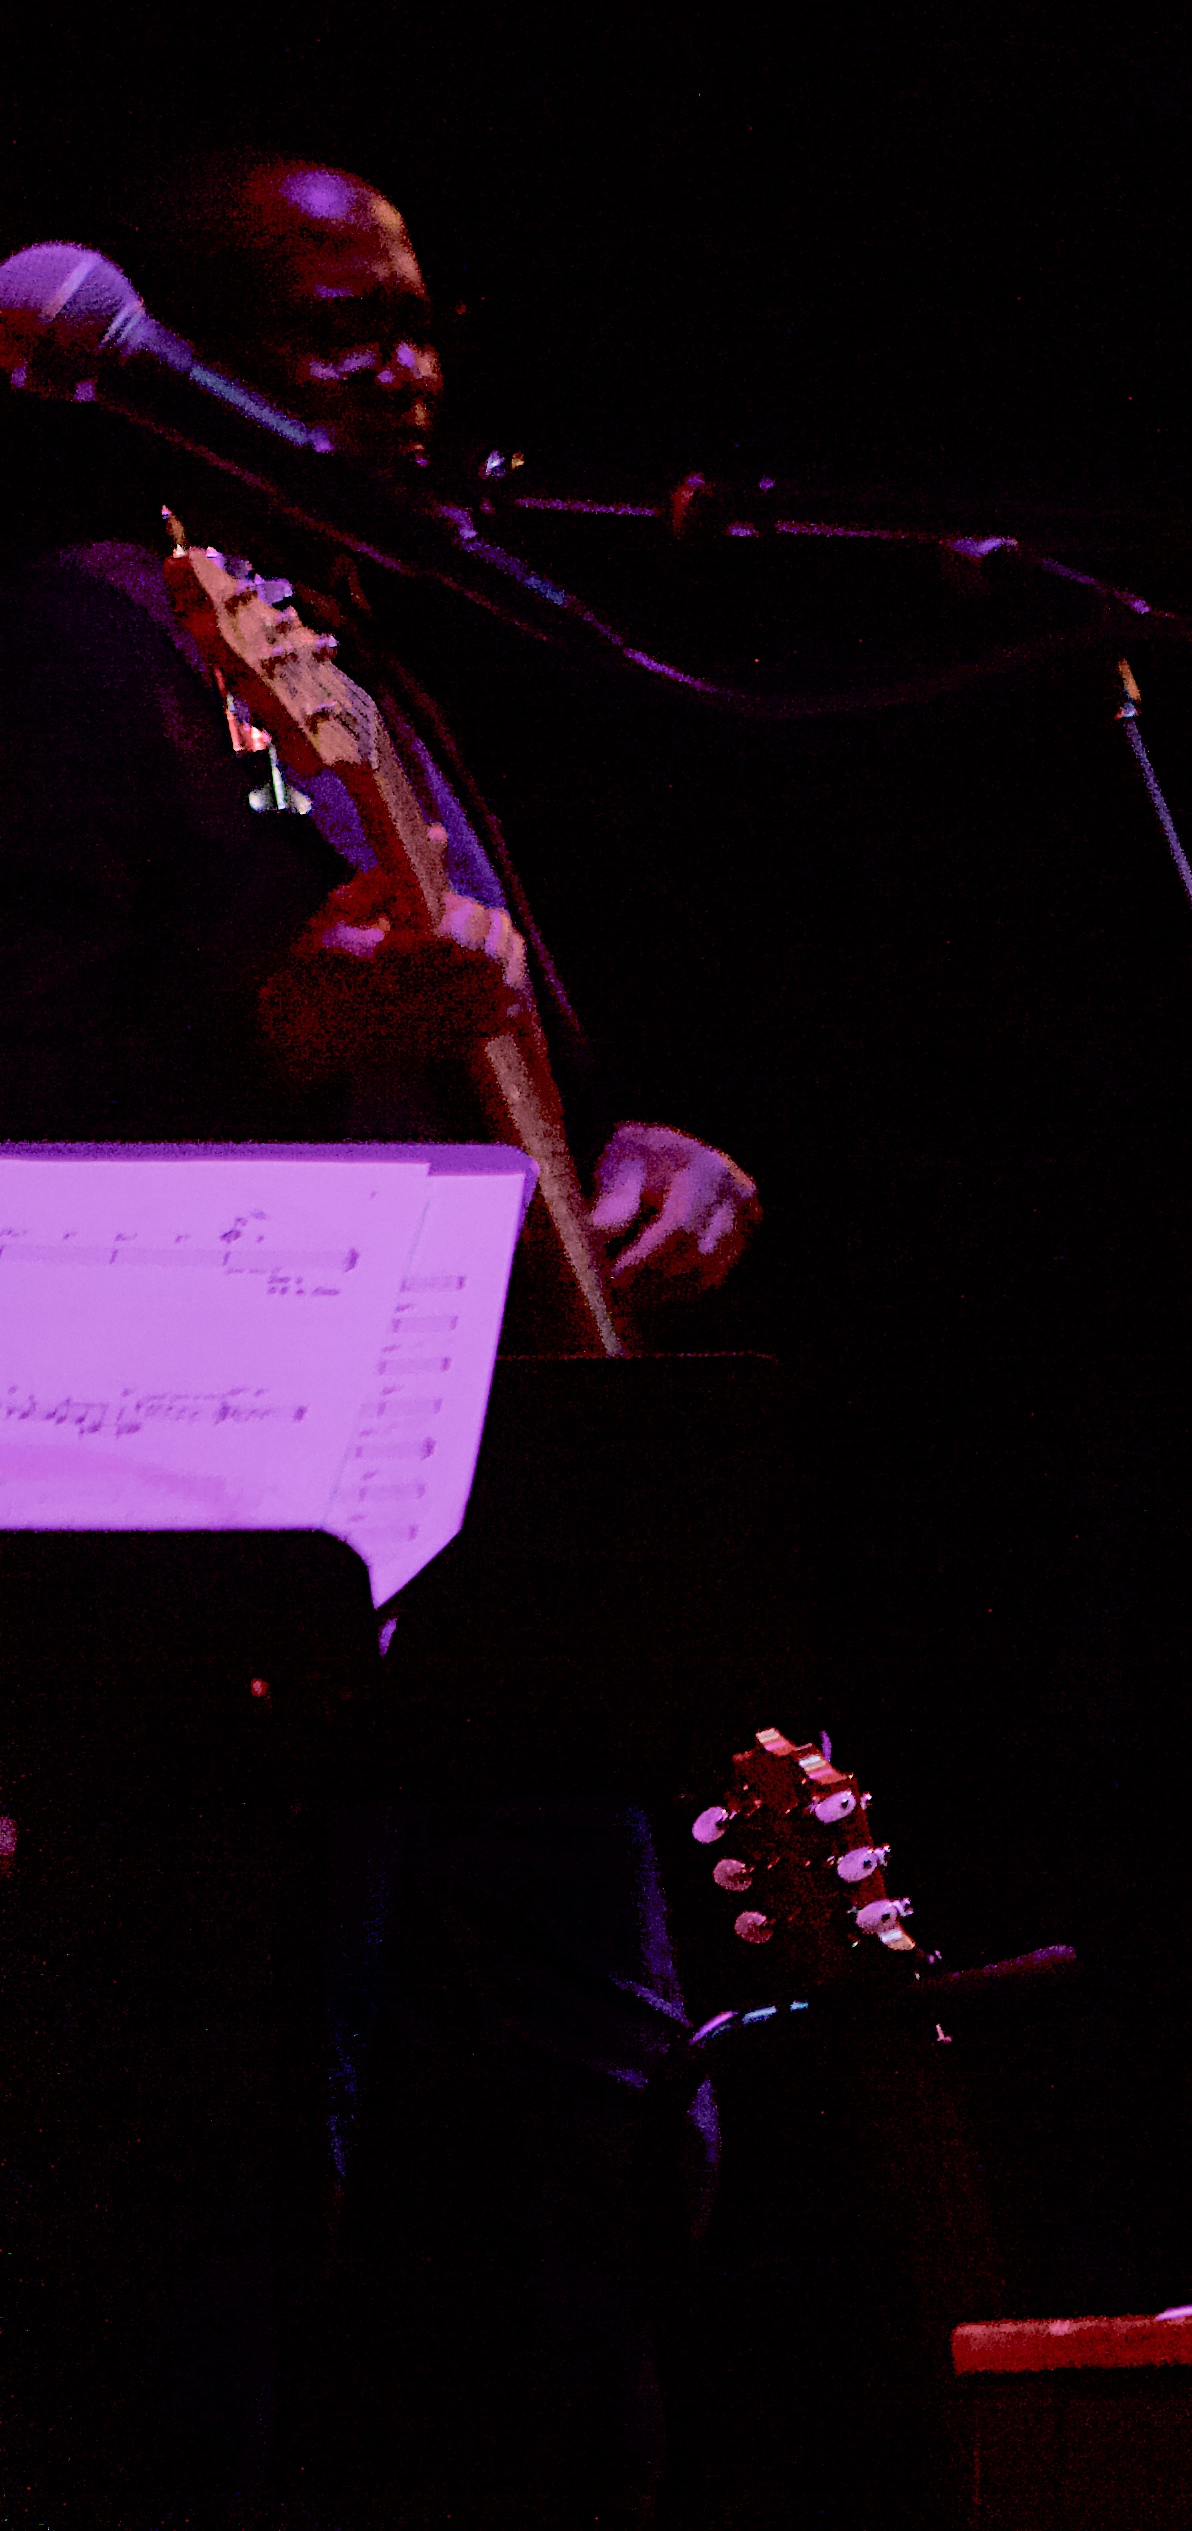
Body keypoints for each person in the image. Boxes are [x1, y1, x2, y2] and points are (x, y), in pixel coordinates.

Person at [0, 152, 758, 2526]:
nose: (406, 370)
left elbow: (511, 1103)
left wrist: (664, 1182)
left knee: (593, 2170)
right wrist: (259, 1037)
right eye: (334, 332)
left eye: (419, 318)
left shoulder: (377, 671)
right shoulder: (91, 638)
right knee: (217, 2218)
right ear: (190, 373)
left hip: (503, 1558)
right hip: (235, 1584)